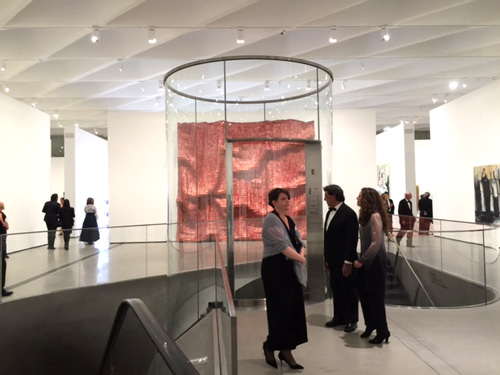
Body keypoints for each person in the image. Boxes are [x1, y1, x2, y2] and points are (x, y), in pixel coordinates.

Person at [261, 188, 307, 370]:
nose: (287, 201)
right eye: (283, 199)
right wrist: (301, 258)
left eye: (288, 198)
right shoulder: (271, 220)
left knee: (292, 310)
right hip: (275, 270)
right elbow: (282, 246)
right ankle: (270, 345)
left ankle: (286, 350)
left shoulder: (289, 220)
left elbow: (299, 242)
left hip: (289, 269)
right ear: (274, 202)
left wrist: (300, 255)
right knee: (279, 311)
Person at [354, 188, 390, 344]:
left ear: (367, 199)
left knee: (375, 298)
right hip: (368, 261)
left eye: (360, 196)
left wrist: (362, 260)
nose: (357, 197)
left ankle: (383, 331)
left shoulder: (374, 216)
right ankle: (371, 325)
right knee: (365, 295)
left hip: (374, 262)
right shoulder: (366, 216)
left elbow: (376, 243)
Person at [323, 184, 359, 333]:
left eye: (326, 195)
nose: (324, 198)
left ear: (334, 196)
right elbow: (328, 238)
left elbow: (351, 240)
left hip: (344, 261)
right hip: (332, 260)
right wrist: (326, 258)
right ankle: (339, 317)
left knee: (348, 290)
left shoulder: (349, 213)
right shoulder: (329, 213)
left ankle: (352, 320)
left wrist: (348, 261)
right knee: (336, 289)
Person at [0, 202, 13, 297]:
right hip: (1, 239)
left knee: (2, 262)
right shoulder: (2, 215)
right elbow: (6, 226)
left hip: (2, 238)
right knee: (1, 263)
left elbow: (7, 226)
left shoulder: (3, 215)